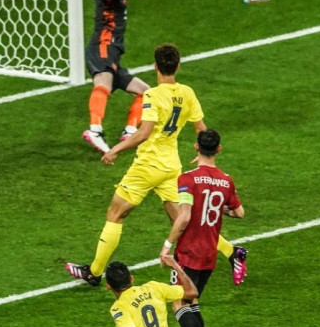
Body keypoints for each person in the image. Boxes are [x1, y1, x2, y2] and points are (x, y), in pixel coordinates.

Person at [66, 44, 241, 286]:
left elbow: (144, 132)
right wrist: (201, 153)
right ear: (177, 66)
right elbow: (202, 129)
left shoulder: (152, 95)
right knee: (182, 220)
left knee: (115, 214)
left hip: (147, 167)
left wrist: (115, 149)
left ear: (155, 66)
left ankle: (94, 273)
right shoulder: (188, 93)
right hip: (171, 167)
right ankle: (233, 252)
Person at [159, 129, 246, 327]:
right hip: (209, 255)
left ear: (196, 147)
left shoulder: (188, 179)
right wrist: (219, 209)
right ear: (219, 149)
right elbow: (239, 212)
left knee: (179, 303)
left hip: (188, 252)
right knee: (193, 301)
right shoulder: (227, 181)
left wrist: (167, 245)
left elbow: (184, 217)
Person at [82, 0, 150, 154]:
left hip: (113, 51)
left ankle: (130, 131)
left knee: (147, 93)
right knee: (103, 83)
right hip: (102, 46)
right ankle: (95, 129)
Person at [106, 256, 198, 327]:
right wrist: (176, 266)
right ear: (131, 278)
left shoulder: (119, 307)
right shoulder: (154, 288)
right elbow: (192, 292)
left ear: (108, 286)